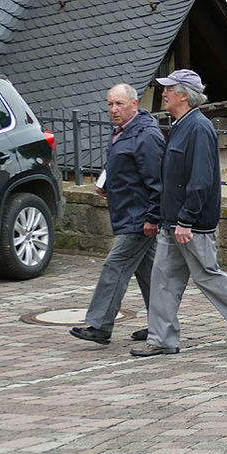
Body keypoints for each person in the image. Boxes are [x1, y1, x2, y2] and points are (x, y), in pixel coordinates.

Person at [131, 70, 227, 357]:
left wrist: (186, 220)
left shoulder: (198, 128)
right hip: (174, 222)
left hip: (191, 223)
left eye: (168, 89)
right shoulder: (182, 124)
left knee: (208, 275)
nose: (163, 94)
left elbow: (200, 181)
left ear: (183, 95)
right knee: (162, 278)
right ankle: (162, 339)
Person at [70, 84, 163, 346]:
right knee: (149, 273)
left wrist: (152, 218)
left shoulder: (146, 135)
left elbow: (157, 180)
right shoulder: (122, 132)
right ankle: (162, 323)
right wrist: (105, 182)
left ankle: (99, 325)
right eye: (110, 104)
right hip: (128, 213)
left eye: (119, 104)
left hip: (140, 217)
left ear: (135, 104)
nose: (113, 110)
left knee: (115, 266)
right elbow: (119, 164)